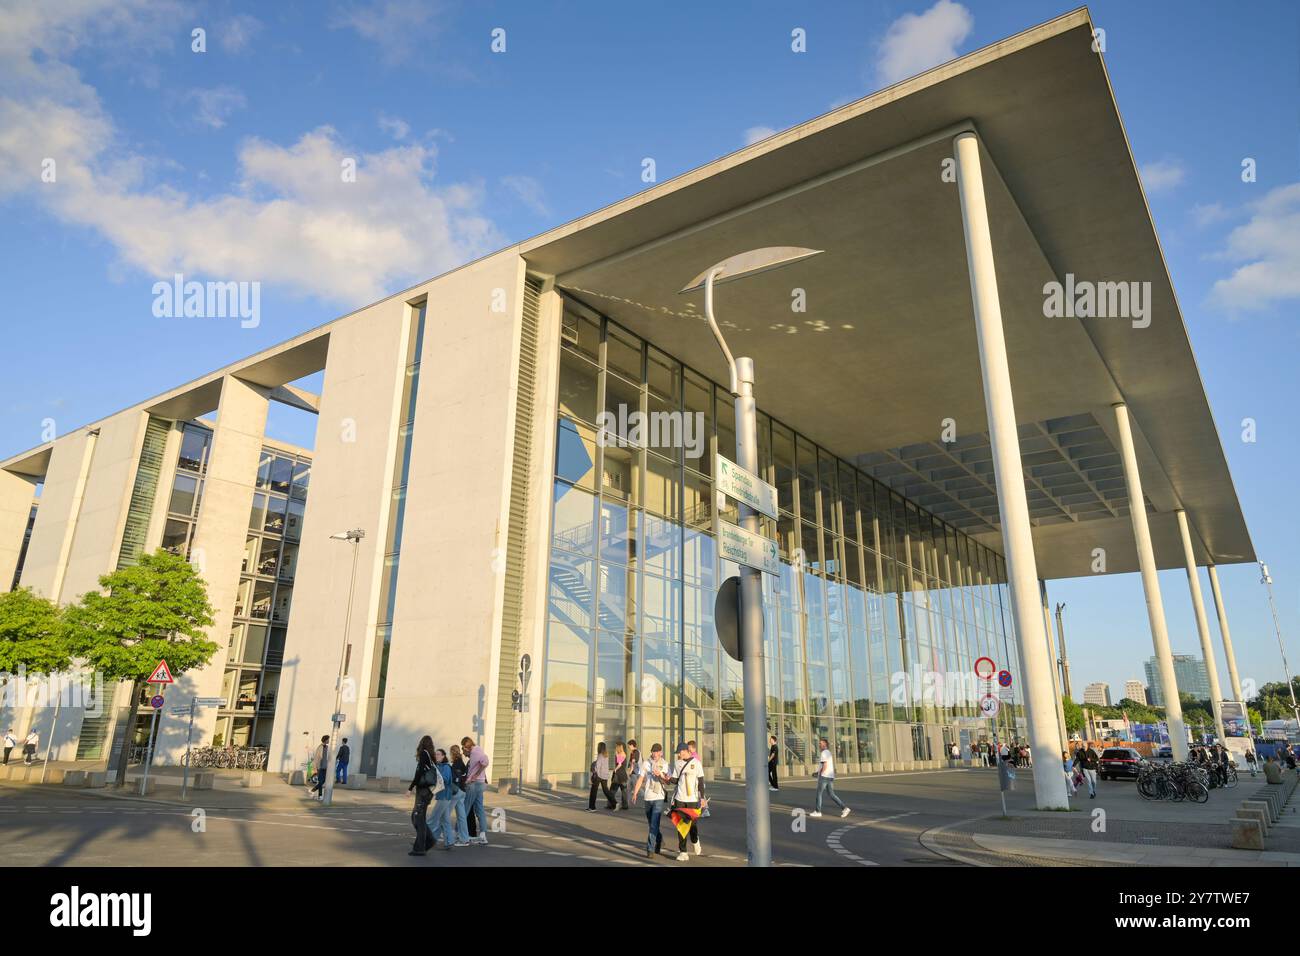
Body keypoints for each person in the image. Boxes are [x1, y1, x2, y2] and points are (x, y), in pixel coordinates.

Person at [631, 742, 670, 858]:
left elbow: (667, 782)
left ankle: (650, 848)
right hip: (648, 797)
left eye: (658, 751)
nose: (655, 754)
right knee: (652, 823)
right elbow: (641, 778)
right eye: (654, 751)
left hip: (658, 796)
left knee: (654, 823)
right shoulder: (646, 763)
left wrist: (661, 775)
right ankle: (659, 839)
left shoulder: (665, 764)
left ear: (661, 753)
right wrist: (635, 792)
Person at [669, 741, 703, 861]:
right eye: (678, 753)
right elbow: (674, 780)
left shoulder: (697, 763)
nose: (679, 754)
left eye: (681, 752)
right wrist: (664, 777)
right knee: (681, 826)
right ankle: (683, 852)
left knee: (693, 825)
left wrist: (702, 798)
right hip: (680, 799)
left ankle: (695, 840)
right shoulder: (678, 764)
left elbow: (701, 782)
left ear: (686, 751)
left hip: (693, 799)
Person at [407, 736, 436, 856]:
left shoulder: (424, 754)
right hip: (427, 791)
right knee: (419, 818)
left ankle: (420, 847)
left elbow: (419, 773)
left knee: (417, 817)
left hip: (423, 791)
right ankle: (428, 841)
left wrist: (410, 787)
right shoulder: (431, 756)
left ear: (422, 744)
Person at [810, 737, 850, 819]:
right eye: (819, 743)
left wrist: (820, 774)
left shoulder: (824, 753)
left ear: (825, 744)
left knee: (819, 793)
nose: (819, 745)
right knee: (831, 794)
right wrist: (817, 773)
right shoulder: (828, 752)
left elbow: (825, 765)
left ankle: (818, 811)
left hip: (824, 776)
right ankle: (845, 808)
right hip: (830, 776)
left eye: (820, 743)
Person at [462, 735, 490, 844]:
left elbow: (485, 762)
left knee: (464, 808)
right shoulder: (479, 749)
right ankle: (483, 835)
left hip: (473, 784)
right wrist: (479, 774)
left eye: (463, 747)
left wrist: (475, 775)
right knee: (479, 809)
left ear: (466, 746)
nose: (463, 750)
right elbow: (484, 762)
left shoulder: (475, 752)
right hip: (481, 783)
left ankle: (458, 832)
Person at [429, 749, 456, 851]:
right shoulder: (438, 766)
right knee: (445, 821)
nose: (436, 756)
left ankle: (422, 841)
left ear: (444, 756)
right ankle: (449, 842)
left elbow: (445, 779)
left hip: (445, 796)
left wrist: (434, 777)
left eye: (438, 754)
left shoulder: (446, 767)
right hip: (442, 796)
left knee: (432, 819)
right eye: (435, 754)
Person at [448, 744, 472, 846]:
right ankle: (465, 839)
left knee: (444, 813)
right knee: (462, 817)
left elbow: (455, 779)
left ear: (452, 753)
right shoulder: (461, 762)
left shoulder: (456, 764)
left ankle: (444, 835)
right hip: (462, 791)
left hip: (457, 792)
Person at [588, 741, 614, 811]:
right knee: (606, 790)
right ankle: (615, 803)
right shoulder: (606, 755)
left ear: (599, 748)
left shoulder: (600, 755)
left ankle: (592, 807)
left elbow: (598, 766)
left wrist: (593, 771)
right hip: (605, 775)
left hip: (599, 775)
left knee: (593, 791)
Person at [610, 741, 630, 810]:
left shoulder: (621, 754)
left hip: (619, 774)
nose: (615, 747)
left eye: (616, 746)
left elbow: (619, 764)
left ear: (619, 747)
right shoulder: (621, 754)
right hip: (622, 774)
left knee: (612, 790)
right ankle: (625, 805)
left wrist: (615, 770)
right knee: (623, 790)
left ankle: (611, 804)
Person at [309, 735, 329, 799]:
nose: (329, 740)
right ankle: (320, 796)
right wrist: (314, 768)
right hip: (320, 767)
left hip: (325, 767)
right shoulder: (320, 747)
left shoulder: (327, 747)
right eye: (328, 739)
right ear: (325, 740)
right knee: (320, 781)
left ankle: (312, 790)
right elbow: (316, 758)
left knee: (323, 781)